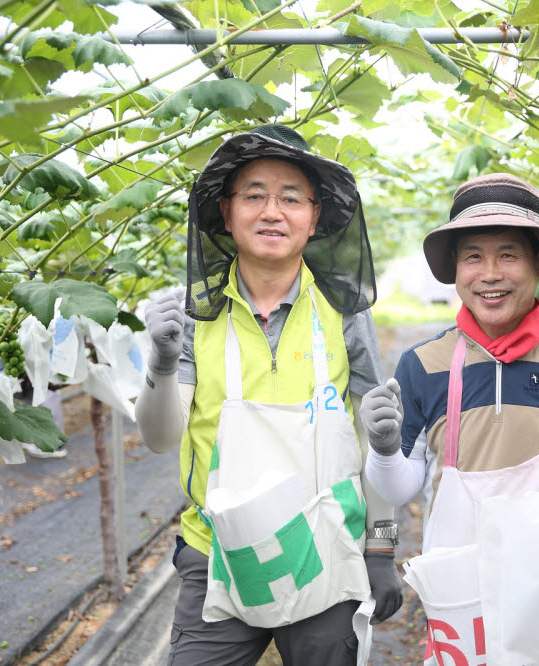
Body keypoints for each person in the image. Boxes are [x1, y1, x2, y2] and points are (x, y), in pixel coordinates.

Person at [135, 124, 402, 666]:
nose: (272, 212)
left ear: (315, 217)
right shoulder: (194, 314)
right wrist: (162, 365)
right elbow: (160, 437)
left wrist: (380, 545)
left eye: (290, 198)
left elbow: (378, 442)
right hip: (217, 555)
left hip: (328, 552)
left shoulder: (344, 312)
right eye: (254, 195)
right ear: (226, 214)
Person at [359, 173, 539, 664]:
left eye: (508, 254)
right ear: (455, 268)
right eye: (473, 256)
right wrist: (384, 450)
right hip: (460, 604)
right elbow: (399, 489)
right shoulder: (422, 365)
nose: (489, 273)